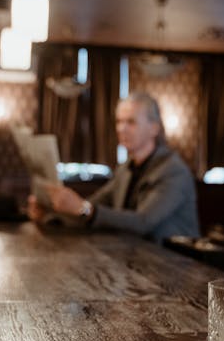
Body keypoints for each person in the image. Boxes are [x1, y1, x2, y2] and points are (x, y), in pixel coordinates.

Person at [27, 91, 200, 244]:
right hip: (138, 262)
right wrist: (51, 217)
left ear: (154, 128)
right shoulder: (125, 169)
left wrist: (83, 209)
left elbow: (143, 221)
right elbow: (92, 206)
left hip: (175, 268)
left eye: (131, 122)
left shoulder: (173, 171)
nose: (121, 129)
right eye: (119, 121)